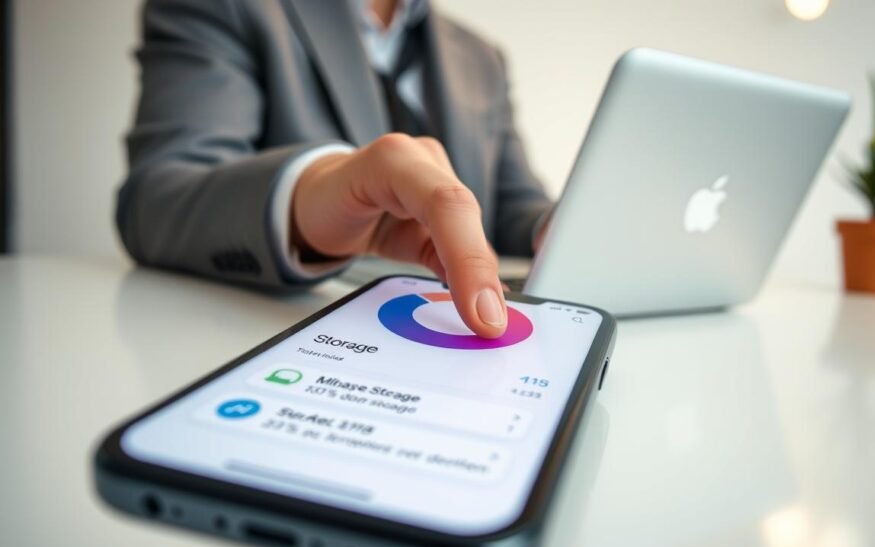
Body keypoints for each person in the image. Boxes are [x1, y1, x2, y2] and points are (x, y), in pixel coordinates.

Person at [116, 0, 553, 339]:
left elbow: (513, 202)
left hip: (455, 339)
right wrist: (304, 200)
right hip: (284, 333)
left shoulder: (481, 57)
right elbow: (157, 199)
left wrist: (552, 225)